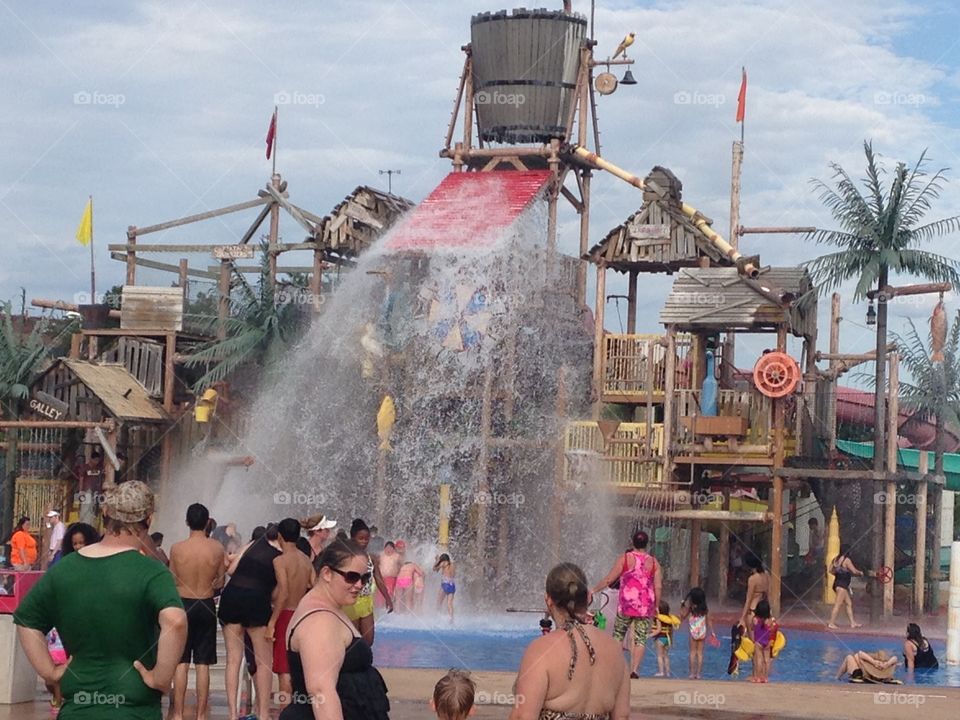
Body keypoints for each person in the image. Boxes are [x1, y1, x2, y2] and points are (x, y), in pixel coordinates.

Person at [14, 480, 188, 720]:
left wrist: (50, 672)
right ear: (149, 519)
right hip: (134, 709)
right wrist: (160, 677)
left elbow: (26, 619)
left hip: (77, 708)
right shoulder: (152, 572)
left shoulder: (64, 570)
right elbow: (176, 622)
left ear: (105, 514)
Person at [279, 539, 390, 720]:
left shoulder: (329, 607)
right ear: (327, 573)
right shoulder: (319, 621)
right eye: (352, 577)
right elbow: (321, 693)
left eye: (365, 578)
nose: (360, 585)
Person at [510, 563, 630, 720]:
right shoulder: (614, 649)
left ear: (548, 600)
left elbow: (523, 716)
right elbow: (622, 716)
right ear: (588, 596)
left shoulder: (541, 650)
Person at [219, 518, 281, 720]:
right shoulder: (280, 556)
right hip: (256, 601)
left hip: (231, 597)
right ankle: (263, 714)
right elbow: (277, 594)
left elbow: (231, 569)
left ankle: (232, 715)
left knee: (233, 660)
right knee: (264, 662)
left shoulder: (252, 545)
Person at [168, 503, 226, 720]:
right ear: (207, 522)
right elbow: (220, 581)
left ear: (187, 522)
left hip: (183, 602)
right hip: (206, 602)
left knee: (181, 662)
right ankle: (201, 715)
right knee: (203, 663)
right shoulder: (217, 548)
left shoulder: (177, 548)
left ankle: (178, 714)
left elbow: (172, 579)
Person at [591, 529, 662, 679]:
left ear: (632, 542)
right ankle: (634, 670)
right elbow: (658, 586)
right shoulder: (654, 562)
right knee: (640, 638)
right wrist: (656, 605)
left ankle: (616, 667)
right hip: (644, 606)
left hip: (626, 604)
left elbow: (609, 579)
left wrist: (594, 590)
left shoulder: (625, 558)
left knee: (618, 635)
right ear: (647, 543)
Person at [270, 517, 317, 710]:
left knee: (284, 671)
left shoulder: (280, 561)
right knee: (299, 668)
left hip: (285, 615)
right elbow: (314, 587)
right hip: (302, 615)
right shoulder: (306, 561)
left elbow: (283, 592)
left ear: (280, 536)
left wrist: (272, 622)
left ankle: (285, 713)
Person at [345, 519, 394, 645]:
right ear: (352, 538)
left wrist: (387, 598)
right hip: (351, 601)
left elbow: (378, 578)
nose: (364, 542)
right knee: (353, 640)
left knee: (368, 640)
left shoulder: (371, 558)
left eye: (366, 539)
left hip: (366, 601)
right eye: (360, 538)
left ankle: (364, 663)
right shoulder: (346, 557)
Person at [680, 587, 715, 679]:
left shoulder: (691, 608)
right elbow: (709, 621)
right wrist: (712, 632)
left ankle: (691, 673)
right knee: (700, 653)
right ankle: (698, 674)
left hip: (693, 631)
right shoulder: (705, 609)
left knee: (692, 652)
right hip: (702, 631)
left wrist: (682, 607)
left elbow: (683, 617)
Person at [827, 546, 864, 629]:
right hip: (842, 585)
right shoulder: (846, 560)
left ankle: (853, 623)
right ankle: (831, 622)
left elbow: (830, 570)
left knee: (848, 603)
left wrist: (838, 573)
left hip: (837, 584)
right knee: (838, 604)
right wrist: (860, 572)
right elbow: (854, 571)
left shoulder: (835, 559)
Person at [738, 554, 770, 629]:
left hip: (753, 610)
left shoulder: (752, 579)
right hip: (764, 609)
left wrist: (742, 618)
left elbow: (748, 599)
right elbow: (768, 593)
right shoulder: (766, 574)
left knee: (752, 639)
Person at [749, 600, 777, 683]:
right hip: (767, 641)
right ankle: (765, 677)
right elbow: (773, 629)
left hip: (758, 641)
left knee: (759, 659)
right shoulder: (770, 620)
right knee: (767, 660)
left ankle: (757, 677)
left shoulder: (755, 619)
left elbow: (751, 628)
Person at [650, 601, 677, 677]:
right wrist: (671, 641)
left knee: (659, 656)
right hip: (667, 639)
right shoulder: (669, 619)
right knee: (666, 656)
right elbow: (671, 631)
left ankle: (661, 671)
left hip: (660, 639)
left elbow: (658, 630)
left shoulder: (658, 619)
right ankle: (668, 672)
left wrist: (648, 635)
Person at [76, 450, 104, 525]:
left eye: (98, 460)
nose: (96, 462)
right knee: (85, 508)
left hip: (96, 491)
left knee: (94, 509)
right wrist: (81, 491)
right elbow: (81, 479)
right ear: (91, 459)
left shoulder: (99, 469)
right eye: (95, 460)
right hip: (86, 491)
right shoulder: (85, 467)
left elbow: (101, 479)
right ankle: (84, 523)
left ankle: (91, 524)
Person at [377, 541, 402, 607]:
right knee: (380, 595)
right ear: (384, 548)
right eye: (387, 548)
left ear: (394, 549)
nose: (388, 550)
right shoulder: (380, 555)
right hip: (381, 578)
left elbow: (401, 567)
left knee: (389, 593)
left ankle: (389, 608)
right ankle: (380, 609)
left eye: (390, 548)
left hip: (392, 578)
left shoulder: (397, 556)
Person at [434, 553, 456, 622]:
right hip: (452, 584)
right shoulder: (452, 565)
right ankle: (451, 618)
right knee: (449, 603)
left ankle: (438, 615)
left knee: (439, 601)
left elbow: (434, 569)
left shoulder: (443, 563)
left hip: (445, 584)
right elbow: (454, 574)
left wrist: (436, 561)